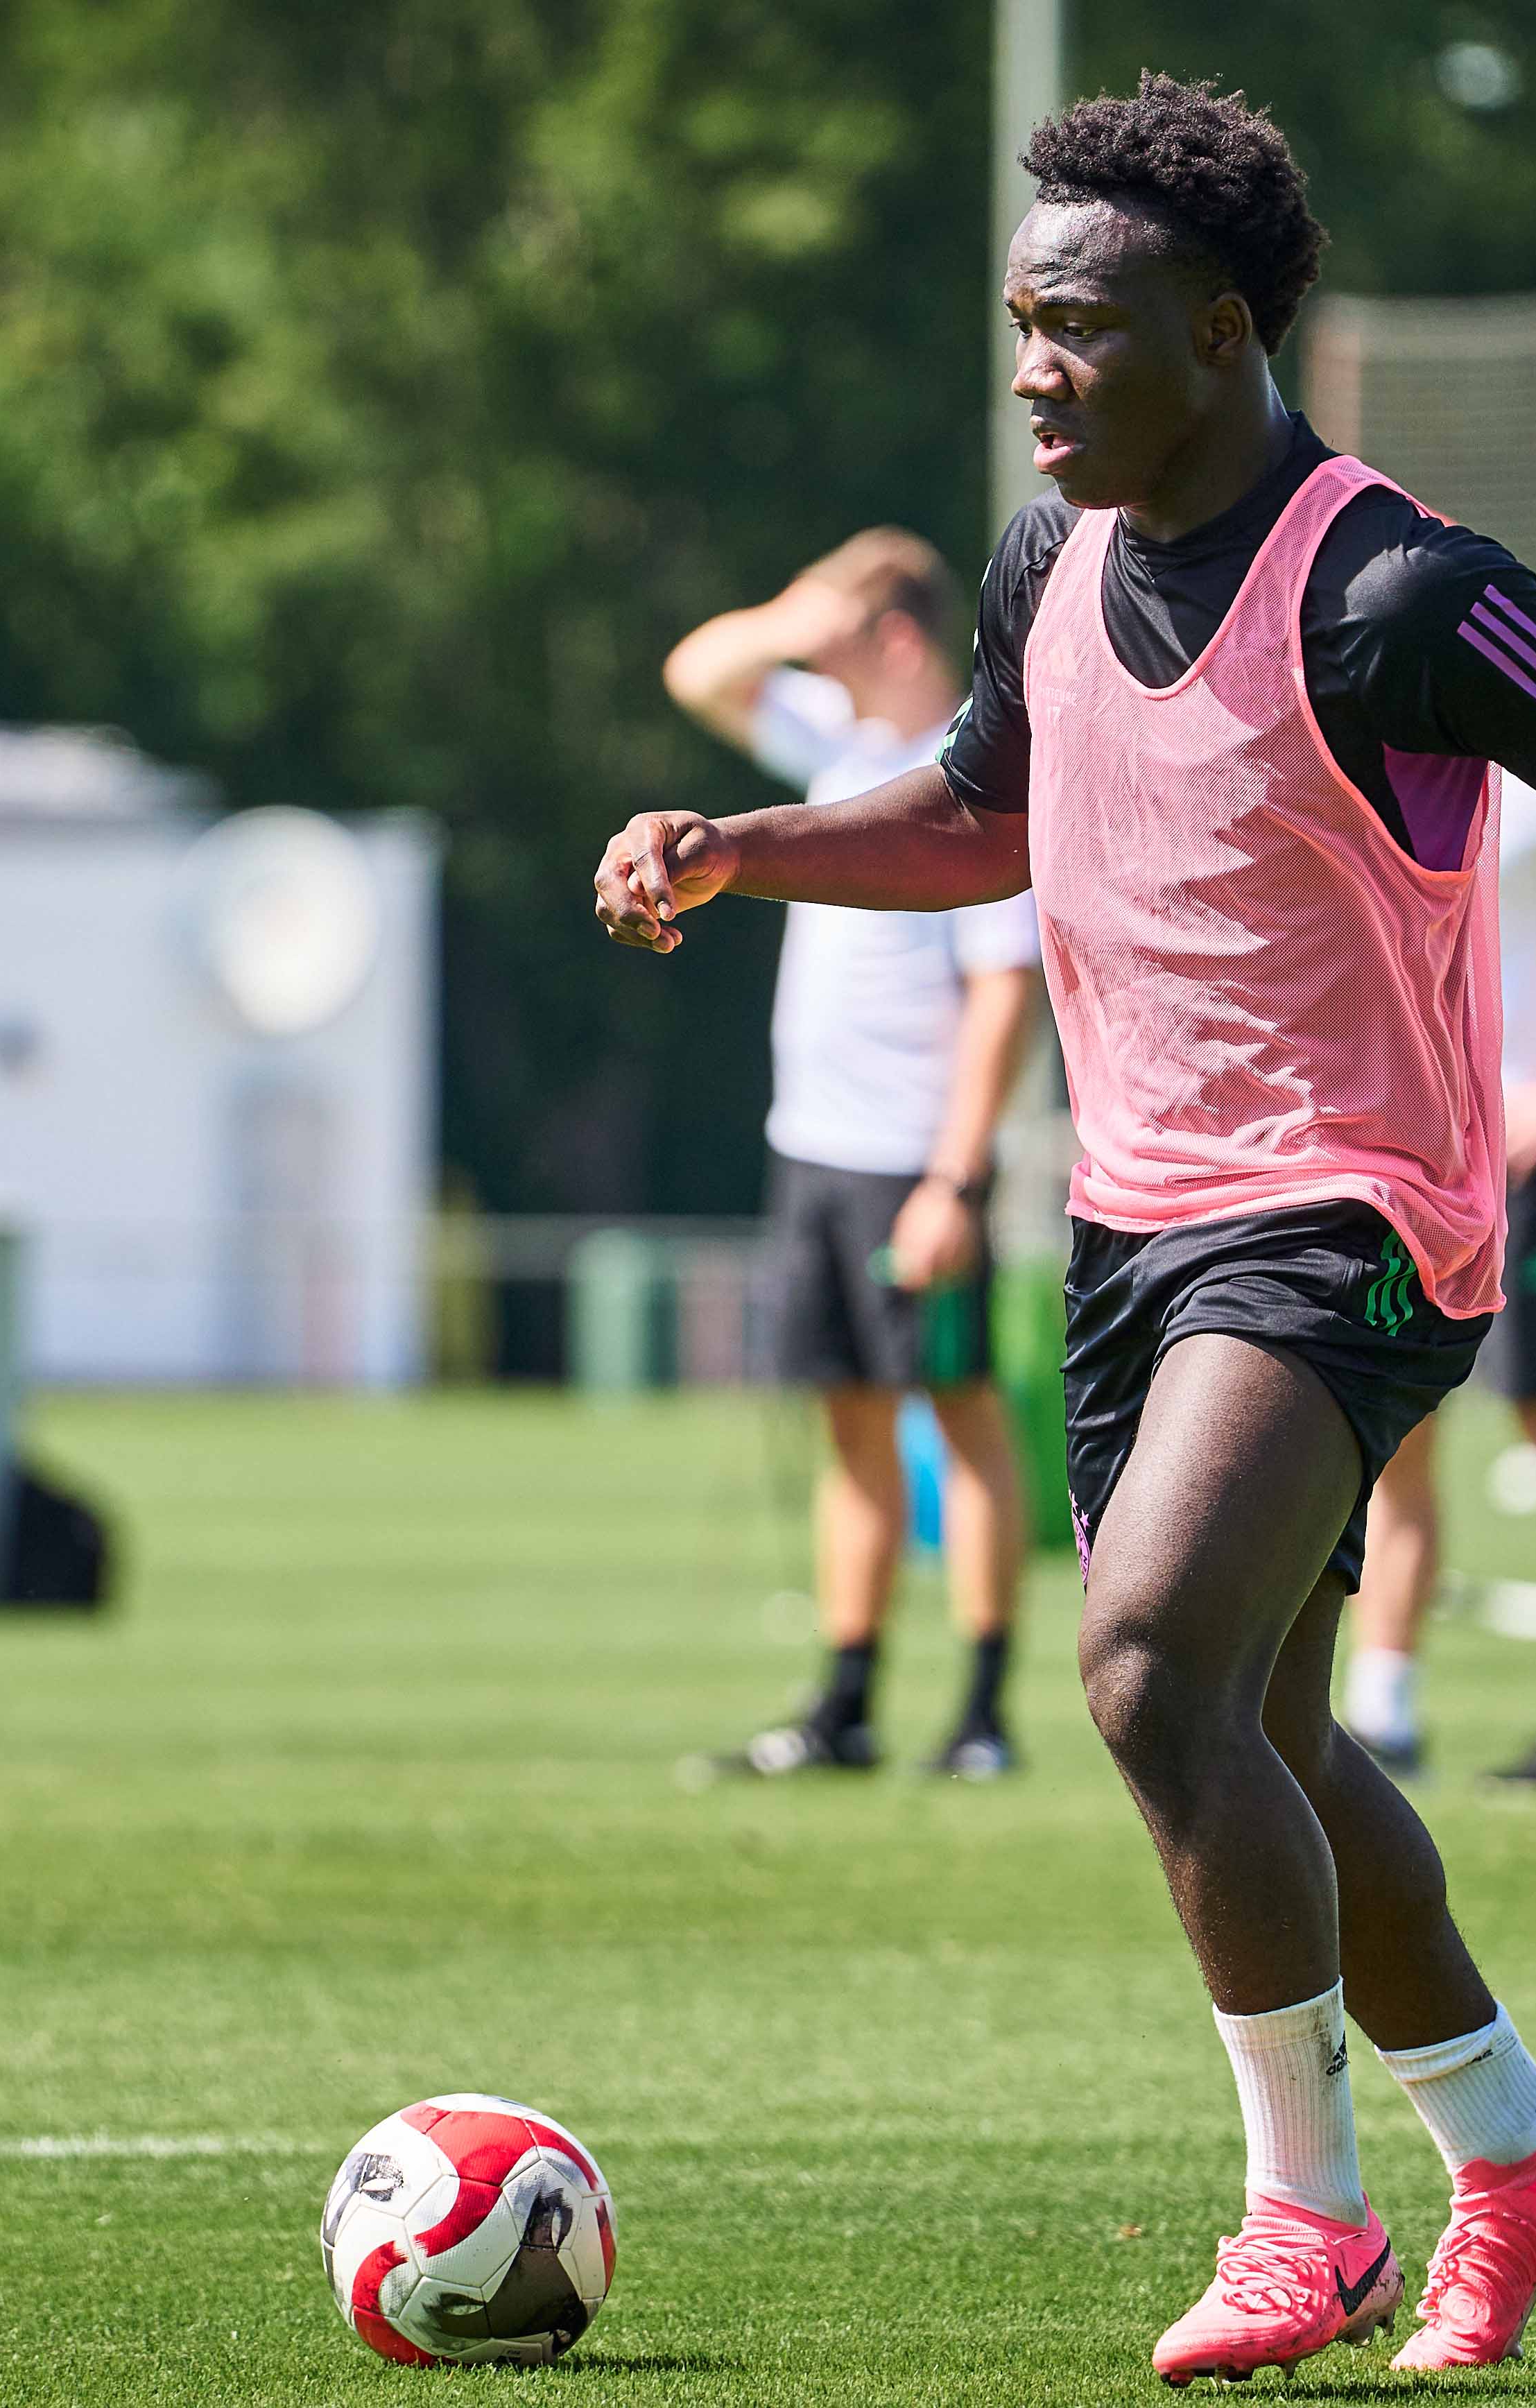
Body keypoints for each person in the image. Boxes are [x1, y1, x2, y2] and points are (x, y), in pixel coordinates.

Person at [594, 75, 1536, 2382]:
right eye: (1021, 322)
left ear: (1223, 335)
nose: (1036, 367)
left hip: (1351, 1220)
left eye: (1082, 325)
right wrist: (746, 847)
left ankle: (1301, 2222)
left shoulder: (1398, 588)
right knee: (1273, 1747)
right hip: (1131, 1229)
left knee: (1133, 1668)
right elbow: (979, 817)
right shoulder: (1046, 560)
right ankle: (1523, 2154)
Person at [659, 529, 1042, 1782]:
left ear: (895, 638)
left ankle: (982, 1711)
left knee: (963, 1417)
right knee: (851, 1426)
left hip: (908, 1162)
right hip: (813, 1155)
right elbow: (697, 670)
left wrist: (954, 1179)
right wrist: (796, 609)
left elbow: (1003, 998)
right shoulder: (837, 747)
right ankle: (847, 1703)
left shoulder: (972, 779)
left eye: (838, 626)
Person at [1347, 773, 1536, 1791]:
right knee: (1397, 1441)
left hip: (1524, 1167)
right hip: (1404, 1166)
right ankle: (1380, 1716)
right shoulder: (1379, 765)